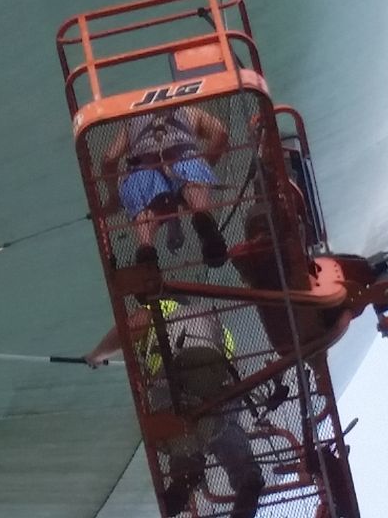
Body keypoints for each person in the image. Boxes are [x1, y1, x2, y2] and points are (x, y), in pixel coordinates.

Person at [85, 296, 266, 518]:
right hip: (223, 382)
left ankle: (183, 481)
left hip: (175, 379)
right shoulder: (218, 329)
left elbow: (132, 326)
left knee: (179, 431)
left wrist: (95, 356)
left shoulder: (161, 309)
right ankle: (247, 479)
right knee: (223, 427)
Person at [103, 105, 232, 270]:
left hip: (144, 165)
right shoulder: (191, 110)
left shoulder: (131, 121)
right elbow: (221, 133)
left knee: (145, 197)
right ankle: (202, 215)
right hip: (182, 154)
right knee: (192, 172)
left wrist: (114, 198)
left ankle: (146, 248)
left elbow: (109, 159)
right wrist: (206, 164)